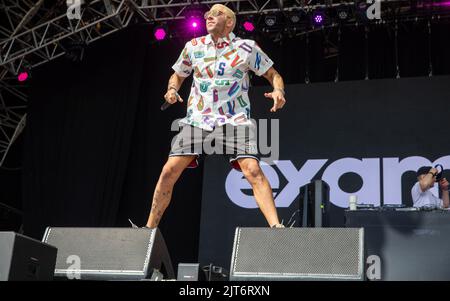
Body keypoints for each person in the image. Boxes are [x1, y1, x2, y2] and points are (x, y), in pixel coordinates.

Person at [144, 4, 286, 229]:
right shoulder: (194, 46)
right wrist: (172, 90)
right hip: (197, 119)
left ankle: (277, 228)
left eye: (216, 13)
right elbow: (177, 75)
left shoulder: (246, 48)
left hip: (235, 120)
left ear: (230, 22)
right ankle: (148, 231)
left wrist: (279, 90)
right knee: (169, 170)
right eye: (207, 14)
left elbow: (273, 74)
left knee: (253, 170)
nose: (209, 16)